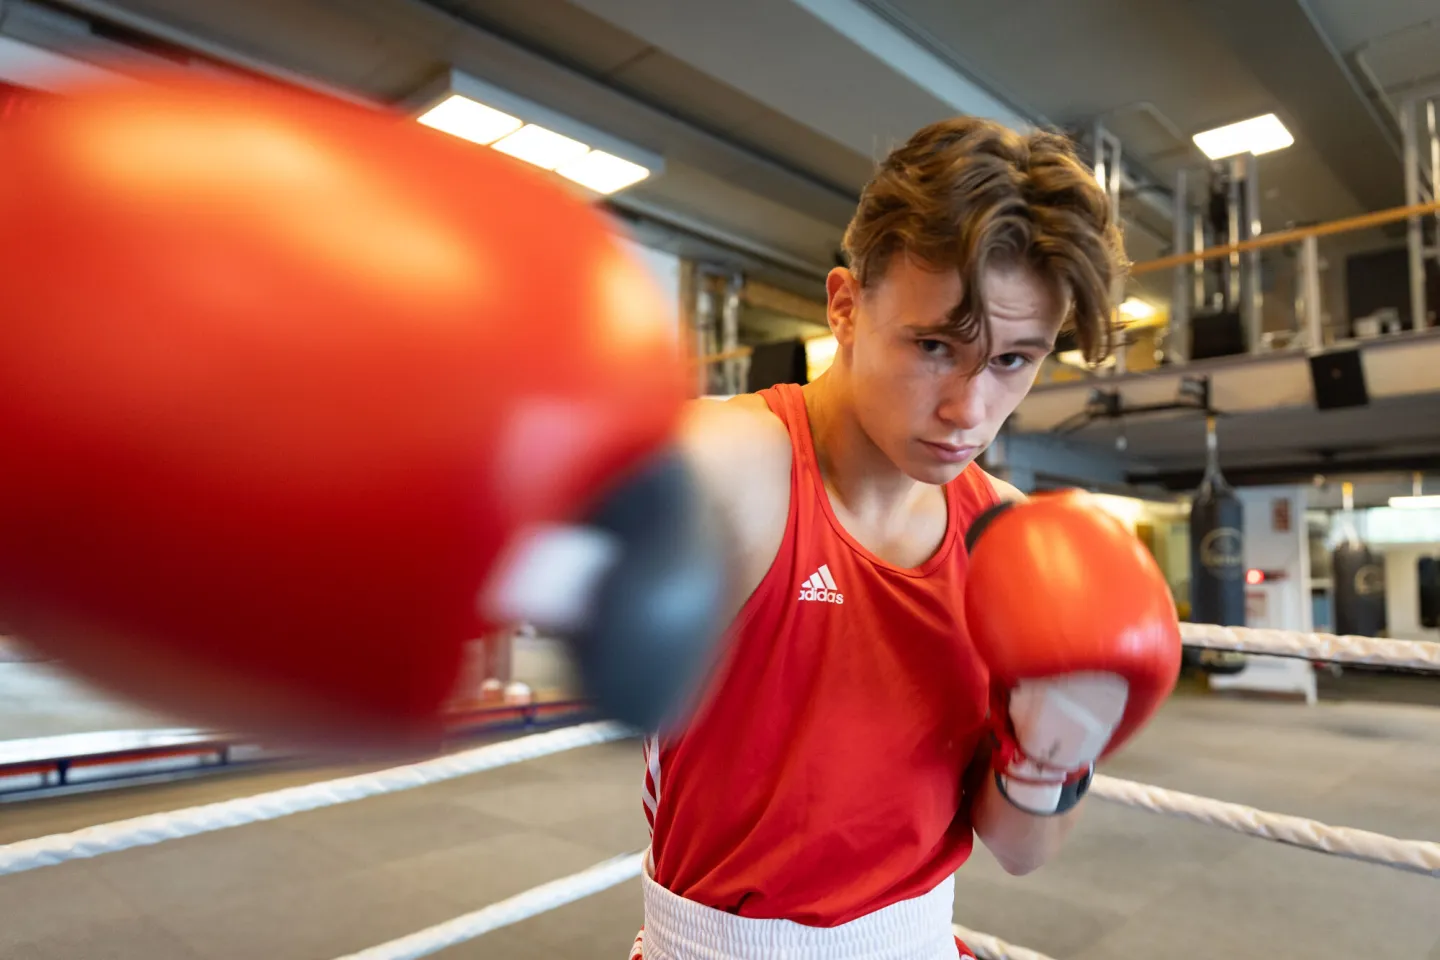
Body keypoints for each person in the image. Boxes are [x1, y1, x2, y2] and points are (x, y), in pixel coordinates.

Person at [630, 117, 1132, 959]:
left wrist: (1051, 754)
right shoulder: (744, 464)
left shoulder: (1007, 540)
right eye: (936, 346)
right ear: (845, 307)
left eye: (1013, 360)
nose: (969, 412)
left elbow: (1020, 849)